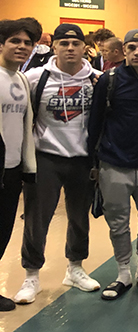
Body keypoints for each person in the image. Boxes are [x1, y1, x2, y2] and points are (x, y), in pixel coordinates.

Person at [13, 23, 102, 306]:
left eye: (75, 43)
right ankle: (31, 275)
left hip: (82, 161)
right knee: (38, 219)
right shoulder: (35, 77)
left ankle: (75, 268)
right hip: (45, 159)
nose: (70, 48)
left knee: (79, 218)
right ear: (55, 47)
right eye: (64, 43)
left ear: (84, 47)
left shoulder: (98, 80)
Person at [88, 28, 138, 301]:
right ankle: (123, 271)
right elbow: (95, 123)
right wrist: (94, 163)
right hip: (114, 164)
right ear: (124, 50)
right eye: (131, 47)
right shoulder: (108, 81)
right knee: (118, 224)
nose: (136, 52)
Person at [0, 17, 39, 312]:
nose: (22, 47)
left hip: (12, 170)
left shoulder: (22, 79)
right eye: (15, 41)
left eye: (27, 43)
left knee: (3, 231)